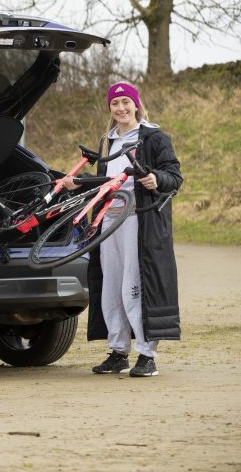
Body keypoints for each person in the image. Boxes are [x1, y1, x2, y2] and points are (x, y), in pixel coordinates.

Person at [61, 81, 183, 377]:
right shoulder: (107, 141)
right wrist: (79, 182)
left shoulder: (154, 138)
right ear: (110, 109)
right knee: (111, 285)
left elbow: (174, 176)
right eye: (115, 104)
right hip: (109, 221)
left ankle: (146, 354)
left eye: (126, 102)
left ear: (136, 104)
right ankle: (118, 352)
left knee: (136, 285)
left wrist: (156, 179)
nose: (121, 108)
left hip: (139, 222)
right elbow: (106, 182)